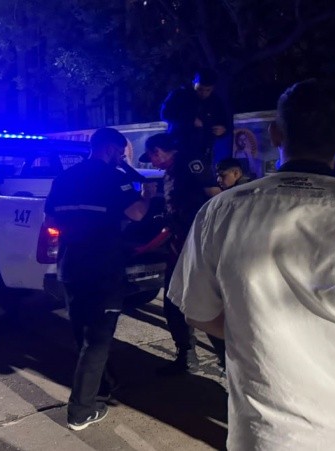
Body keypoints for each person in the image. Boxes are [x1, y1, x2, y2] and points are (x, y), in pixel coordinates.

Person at [167, 79, 335, 450]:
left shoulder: (220, 212)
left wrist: (260, 337)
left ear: (275, 134)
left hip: (265, 435)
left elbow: (198, 312)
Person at [44, 127, 152, 431]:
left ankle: (105, 383)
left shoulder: (65, 177)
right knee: (98, 340)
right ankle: (81, 410)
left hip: (70, 266)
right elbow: (136, 214)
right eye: (121, 152)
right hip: (103, 268)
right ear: (110, 149)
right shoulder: (114, 178)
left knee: (82, 332)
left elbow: (50, 219)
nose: (122, 157)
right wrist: (147, 196)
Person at [138, 133, 225, 374]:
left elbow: (217, 198)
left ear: (158, 151)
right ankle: (188, 355)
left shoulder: (190, 164)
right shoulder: (172, 173)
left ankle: (226, 359)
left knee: (204, 301)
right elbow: (174, 216)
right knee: (176, 301)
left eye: (152, 158)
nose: (153, 163)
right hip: (180, 245)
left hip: (199, 247)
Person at [160, 69, 230, 163]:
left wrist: (223, 130)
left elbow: (225, 122)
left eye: (208, 90)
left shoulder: (216, 101)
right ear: (194, 83)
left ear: (213, 88)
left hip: (204, 149)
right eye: (200, 89)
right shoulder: (179, 95)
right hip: (178, 147)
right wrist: (190, 120)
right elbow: (165, 114)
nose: (203, 93)